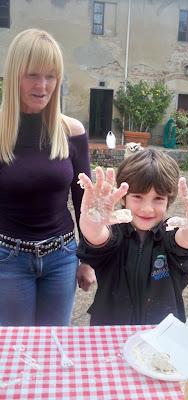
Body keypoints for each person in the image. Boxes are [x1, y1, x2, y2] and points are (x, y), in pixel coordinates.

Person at [0, 28, 95, 326]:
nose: (43, 86)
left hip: (62, 259)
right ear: (15, 74)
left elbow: (85, 203)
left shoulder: (72, 132)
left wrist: (89, 257)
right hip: (8, 260)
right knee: (16, 351)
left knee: (55, 346)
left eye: (51, 76)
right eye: (32, 75)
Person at [77, 149, 188, 325]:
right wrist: (92, 220)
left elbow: (187, 240)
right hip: (111, 331)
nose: (147, 208)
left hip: (162, 334)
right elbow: (96, 235)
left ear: (168, 200)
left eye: (158, 198)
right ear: (123, 197)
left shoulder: (171, 233)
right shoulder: (115, 232)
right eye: (138, 197)